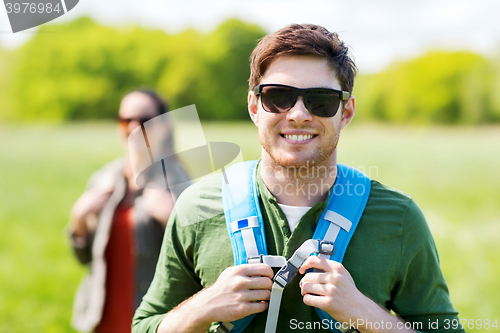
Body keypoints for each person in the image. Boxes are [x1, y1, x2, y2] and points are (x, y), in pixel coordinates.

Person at [132, 25, 465, 333]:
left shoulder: (400, 218)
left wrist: (365, 312)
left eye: (320, 100)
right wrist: (203, 306)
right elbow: (144, 325)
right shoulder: (197, 208)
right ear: (254, 107)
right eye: (278, 96)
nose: (298, 114)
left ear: (345, 112)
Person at [69, 89, 191, 333]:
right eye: (126, 120)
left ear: (163, 126)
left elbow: (198, 268)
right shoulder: (103, 178)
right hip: (101, 318)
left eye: (145, 120)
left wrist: (171, 219)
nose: (134, 127)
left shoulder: (182, 183)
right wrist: (79, 221)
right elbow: (87, 260)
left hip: (153, 321)